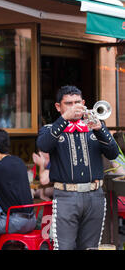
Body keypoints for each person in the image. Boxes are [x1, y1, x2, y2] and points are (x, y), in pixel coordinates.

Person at [36, 85, 119, 250]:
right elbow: (44, 145)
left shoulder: (94, 128)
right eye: (68, 103)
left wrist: (100, 129)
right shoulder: (50, 130)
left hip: (95, 196)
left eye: (77, 102)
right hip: (66, 196)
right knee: (65, 247)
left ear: (83, 103)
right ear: (58, 107)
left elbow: (113, 153)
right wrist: (64, 119)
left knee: (91, 247)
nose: (74, 107)